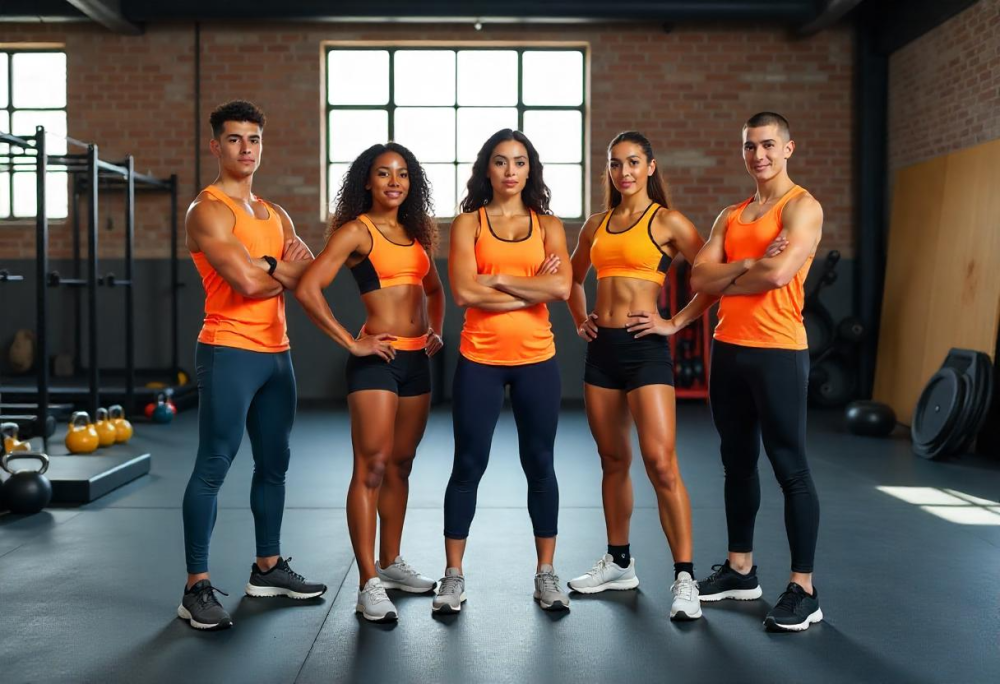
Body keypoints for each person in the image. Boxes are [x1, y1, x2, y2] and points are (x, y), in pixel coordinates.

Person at [179, 100, 326, 631]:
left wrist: (266, 264)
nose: (246, 148)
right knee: (215, 464)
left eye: (254, 139)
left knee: (274, 464)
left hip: (276, 354)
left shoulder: (276, 214)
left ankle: (267, 567)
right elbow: (244, 284)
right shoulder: (208, 210)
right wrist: (278, 268)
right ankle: (195, 587)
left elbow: (310, 274)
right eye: (235, 139)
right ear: (215, 145)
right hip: (228, 349)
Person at [564, 131, 715, 621]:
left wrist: (674, 322)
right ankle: (619, 563)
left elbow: (712, 278)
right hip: (602, 352)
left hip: (645, 350)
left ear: (651, 167)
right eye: (615, 163)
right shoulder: (596, 224)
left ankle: (685, 578)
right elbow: (571, 279)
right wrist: (580, 318)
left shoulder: (667, 221)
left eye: (633, 162)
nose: (624, 171)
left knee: (661, 463)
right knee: (613, 460)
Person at [295, 143, 444, 623]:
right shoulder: (357, 232)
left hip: (417, 360)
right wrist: (351, 342)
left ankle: (391, 562)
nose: (394, 181)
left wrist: (436, 330)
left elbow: (434, 289)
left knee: (401, 464)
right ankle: (367, 582)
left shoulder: (416, 234)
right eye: (383, 173)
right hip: (377, 360)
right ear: (367, 181)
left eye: (402, 173)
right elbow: (308, 286)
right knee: (373, 467)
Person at [690, 111, 824, 632]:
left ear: (788, 148)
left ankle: (804, 590)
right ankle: (740, 570)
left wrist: (728, 276)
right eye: (750, 146)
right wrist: (748, 265)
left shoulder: (802, 207)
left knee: (790, 467)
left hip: (778, 352)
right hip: (728, 349)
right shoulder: (731, 215)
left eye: (768, 145)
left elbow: (780, 273)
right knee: (737, 463)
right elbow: (698, 276)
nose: (758, 155)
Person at [432, 129, 572, 615]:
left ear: (530, 169)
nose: (510, 171)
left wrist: (495, 278)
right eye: (500, 161)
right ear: (486, 169)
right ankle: (453, 575)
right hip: (480, 360)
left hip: (537, 360)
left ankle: (546, 573)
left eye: (519, 161)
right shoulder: (467, 224)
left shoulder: (549, 225)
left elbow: (562, 288)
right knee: (468, 464)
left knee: (540, 463)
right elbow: (464, 293)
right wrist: (530, 287)